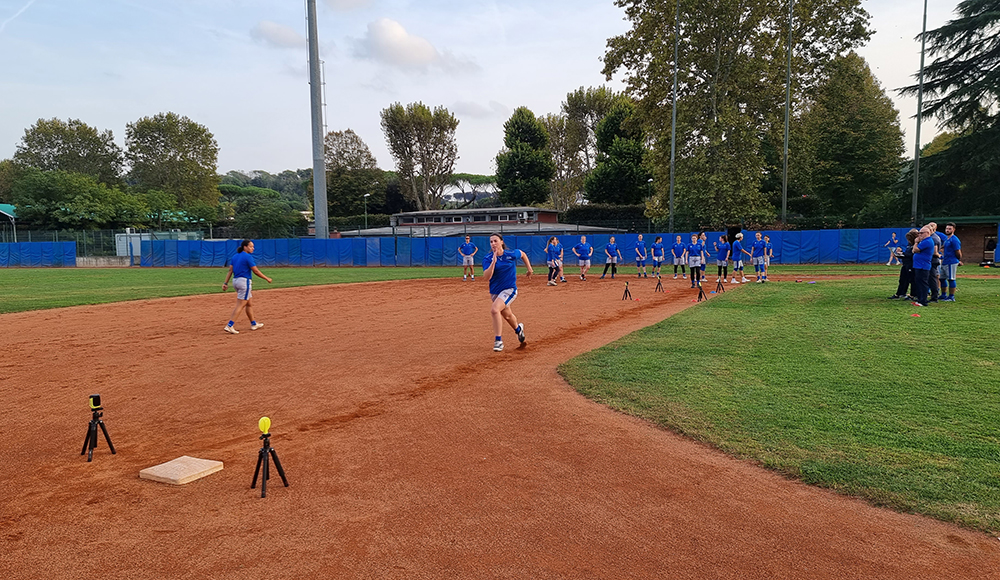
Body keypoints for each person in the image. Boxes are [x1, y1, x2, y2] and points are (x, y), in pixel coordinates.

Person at [482, 233, 533, 352]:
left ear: (501, 242)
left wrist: (529, 269)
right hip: (495, 292)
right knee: (507, 315)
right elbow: (486, 277)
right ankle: (519, 330)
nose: (493, 244)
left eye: (495, 241)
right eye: (491, 242)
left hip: (509, 289)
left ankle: (498, 341)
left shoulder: (510, 254)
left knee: (495, 310)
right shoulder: (488, 258)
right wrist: (493, 263)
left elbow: (523, 254)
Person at [222, 239, 272, 334]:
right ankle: (229, 325)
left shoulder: (235, 256)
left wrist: (225, 283)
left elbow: (230, 271)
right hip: (244, 282)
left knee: (248, 303)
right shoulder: (248, 257)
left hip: (235, 281)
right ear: (245, 247)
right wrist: (267, 278)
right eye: (251, 246)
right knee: (240, 304)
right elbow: (255, 271)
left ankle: (253, 324)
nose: (253, 248)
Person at [889, 229, 918, 300]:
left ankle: (913, 295)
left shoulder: (916, 244)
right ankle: (900, 293)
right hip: (906, 263)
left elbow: (912, 254)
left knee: (912, 280)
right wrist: (901, 252)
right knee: (903, 279)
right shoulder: (909, 245)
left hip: (911, 264)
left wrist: (904, 254)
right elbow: (908, 252)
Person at [911, 226, 935, 306]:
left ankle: (923, 301)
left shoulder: (927, 241)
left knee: (923, 283)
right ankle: (920, 299)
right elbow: (913, 250)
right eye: (919, 233)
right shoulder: (924, 241)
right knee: (918, 282)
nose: (919, 235)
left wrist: (916, 242)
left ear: (927, 233)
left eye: (921, 233)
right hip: (919, 265)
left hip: (923, 265)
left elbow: (915, 250)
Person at [940, 222, 962, 301]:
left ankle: (951, 296)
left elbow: (958, 251)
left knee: (951, 279)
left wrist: (958, 260)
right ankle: (943, 294)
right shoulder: (947, 239)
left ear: (954, 229)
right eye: (947, 228)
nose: (947, 230)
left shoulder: (954, 239)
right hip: (945, 261)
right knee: (942, 278)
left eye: (950, 229)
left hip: (951, 261)